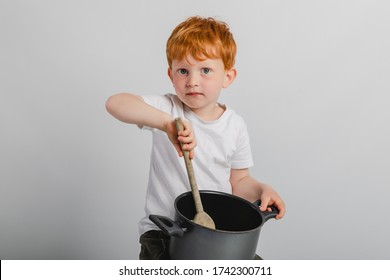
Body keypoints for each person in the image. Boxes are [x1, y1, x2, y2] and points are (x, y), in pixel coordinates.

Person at [106, 16, 286, 259]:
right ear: (171, 75)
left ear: (227, 77)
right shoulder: (168, 109)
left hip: (213, 235)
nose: (192, 81)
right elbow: (116, 103)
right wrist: (166, 123)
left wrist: (261, 189)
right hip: (164, 233)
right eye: (183, 70)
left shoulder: (235, 126)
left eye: (205, 70)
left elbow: (239, 181)